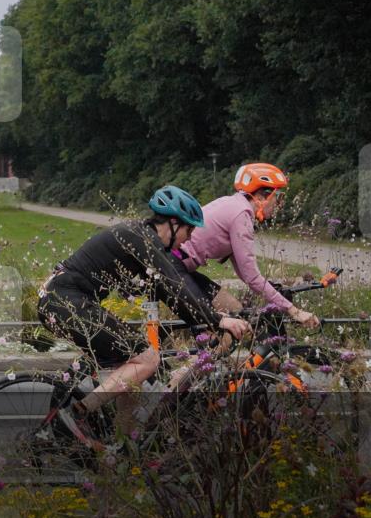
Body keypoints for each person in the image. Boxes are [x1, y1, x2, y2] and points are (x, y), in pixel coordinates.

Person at [37, 186, 252, 426]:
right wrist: (219, 320)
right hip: (66, 301)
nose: (190, 238)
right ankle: (79, 413)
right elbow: (176, 287)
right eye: (189, 229)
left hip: (62, 300)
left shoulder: (141, 238)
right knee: (148, 360)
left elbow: (168, 294)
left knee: (132, 375)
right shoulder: (142, 239)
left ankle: (121, 443)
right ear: (173, 223)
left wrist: (206, 320)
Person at [179, 163, 320, 329]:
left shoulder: (233, 204)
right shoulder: (242, 215)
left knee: (234, 310)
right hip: (174, 269)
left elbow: (246, 274)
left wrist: (271, 292)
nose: (279, 204)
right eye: (278, 197)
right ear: (261, 198)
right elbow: (252, 278)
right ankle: (203, 354)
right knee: (228, 329)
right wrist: (294, 311)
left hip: (182, 268)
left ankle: (210, 351)